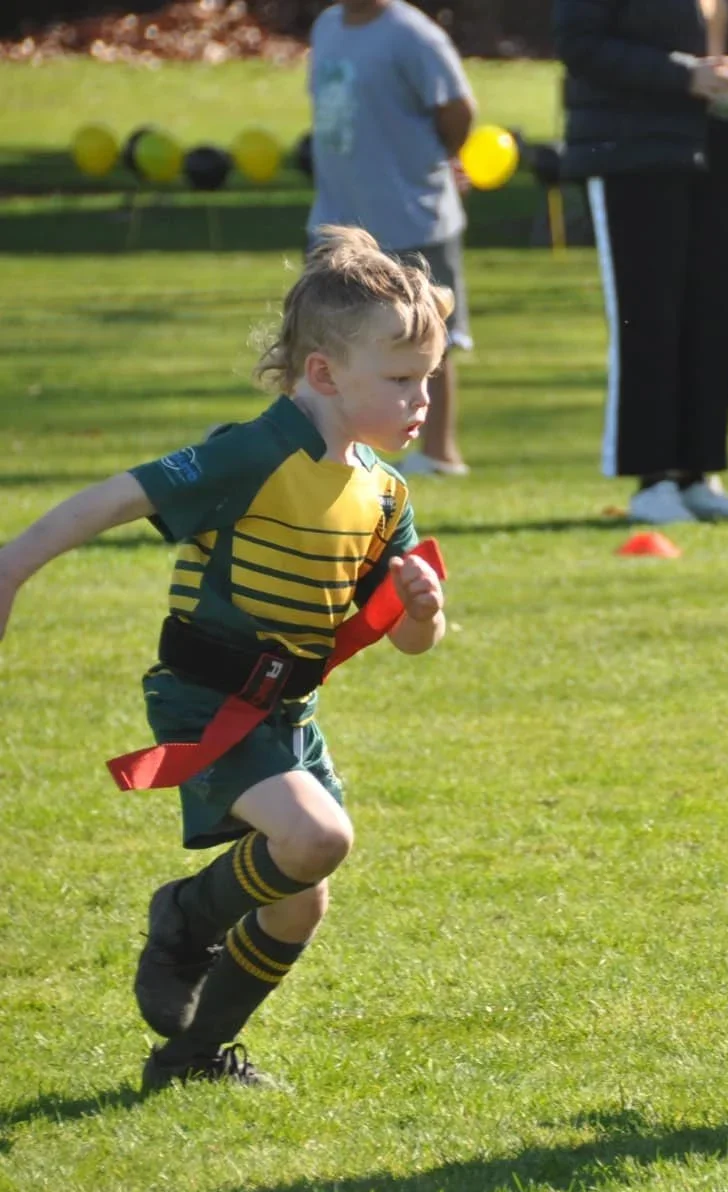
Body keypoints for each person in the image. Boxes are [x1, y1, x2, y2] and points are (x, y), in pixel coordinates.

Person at [0, 227, 450, 1091]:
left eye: (427, 378)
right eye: (401, 379)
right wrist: (12, 566)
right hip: (206, 698)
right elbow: (114, 498)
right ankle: (182, 918)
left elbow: (409, 638)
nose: (421, 398)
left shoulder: (386, 492)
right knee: (317, 838)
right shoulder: (253, 453)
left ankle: (189, 1059)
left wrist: (423, 611)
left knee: (300, 899)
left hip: (289, 715)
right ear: (323, 374)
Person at [555, 0, 728, 524]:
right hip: (631, 153)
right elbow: (580, 44)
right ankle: (652, 480)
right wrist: (684, 76)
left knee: (713, 318)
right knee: (647, 320)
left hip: (712, 150)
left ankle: (697, 475)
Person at [307, 0, 478, 479]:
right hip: (336, 219)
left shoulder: (413, 35)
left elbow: (458, 109)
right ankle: (331, 450)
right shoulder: (327, 26)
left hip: (411, 216)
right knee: (325, 337)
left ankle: (439, 453)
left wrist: (434, 161)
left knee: (429, 336)